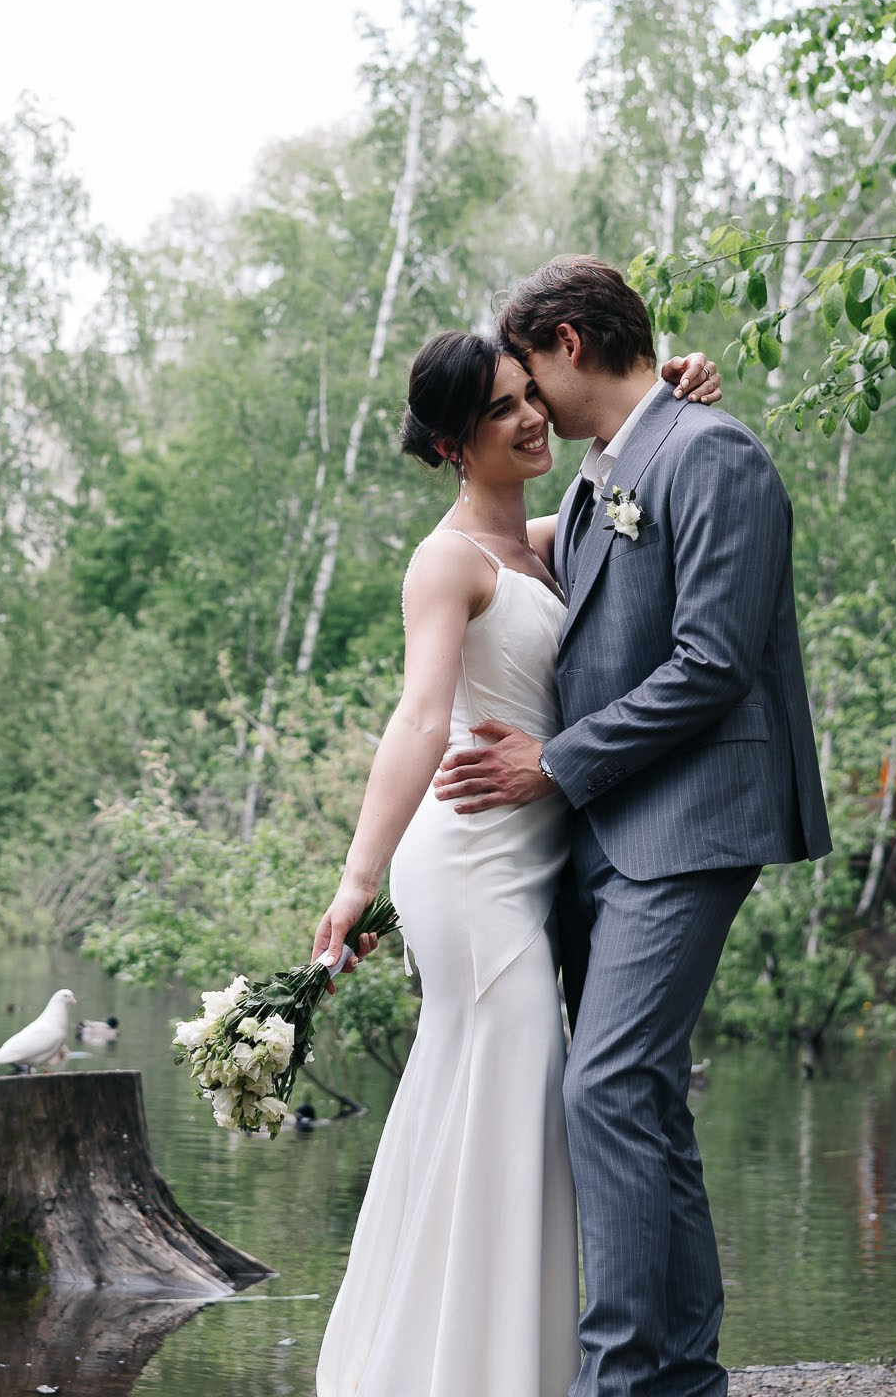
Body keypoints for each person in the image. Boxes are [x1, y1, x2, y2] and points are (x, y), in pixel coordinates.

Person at [428, 255, 832, 1397]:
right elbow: (503, 553)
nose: (526, 409)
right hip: (610, 830)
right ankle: (681, 1374)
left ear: (565, 341)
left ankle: (625, 1381)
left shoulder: (715, 454)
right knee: (641, 1095)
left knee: (603, 1084)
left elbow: (714, 661)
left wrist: (555, 761)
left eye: (524, 381)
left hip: (694, 817)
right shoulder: (618, 468)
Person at [310, 316, 725, 1397]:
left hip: (532, 869)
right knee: (508, 1106)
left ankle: (477, 1366)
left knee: (505, 1111)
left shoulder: (539, 540)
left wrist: (669, 381)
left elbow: (622, 474)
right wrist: (357, 884)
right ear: (452, 443)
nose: (532, 416)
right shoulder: (445, 560)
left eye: (527, 393)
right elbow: (417, 720)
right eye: (500, 408)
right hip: (470, 864)